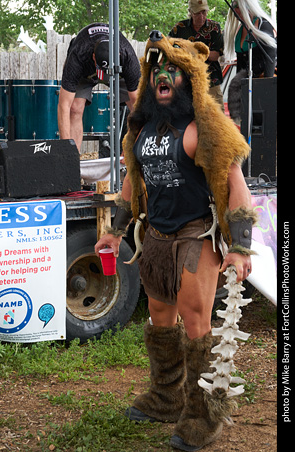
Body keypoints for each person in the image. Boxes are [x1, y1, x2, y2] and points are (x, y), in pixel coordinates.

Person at [95, 30, 257, 451]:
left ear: (190, 76)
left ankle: (203, 416)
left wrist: (239, 247)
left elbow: (235, 185)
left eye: (172, 70)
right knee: (160, 317)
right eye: (156, 70)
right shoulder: (143, 128)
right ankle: (166, 397)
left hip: (194, 235)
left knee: (196, 321)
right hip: (157, 235)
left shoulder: (206, 127)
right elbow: (134, 179)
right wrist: (114, 231)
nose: (162, 76)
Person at [58, 23, 141, 152]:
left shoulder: (128, 56)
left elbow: (138, 106)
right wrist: (65, 152)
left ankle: (136, 155)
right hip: (85, 71)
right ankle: (73, 158)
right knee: (75, 108)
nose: (104, 77)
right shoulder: (78, 55)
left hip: (119, 73)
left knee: (134, 106)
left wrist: (131, 145)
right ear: (94, 57)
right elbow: (64, 106)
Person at [224, 0, 277, 122]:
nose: (237, 12)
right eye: (235, 9)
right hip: (248, 80)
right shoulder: (239, 30)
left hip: (265, 77)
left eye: (239, 9)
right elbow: (241, 67)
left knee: (264, 120)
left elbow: (271, 58)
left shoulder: (263, 24)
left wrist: (266, 87)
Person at [169, 0, 224, 109]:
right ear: (190, 12)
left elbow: (215, 55)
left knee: (217, 117)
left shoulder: (214, 28)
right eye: (197, 13)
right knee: (188, 117)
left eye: (204, 12)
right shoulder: (180, 28)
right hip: (186, 82)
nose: (201, 16)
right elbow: (170, 49)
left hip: (210, 80)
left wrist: (191, 53)